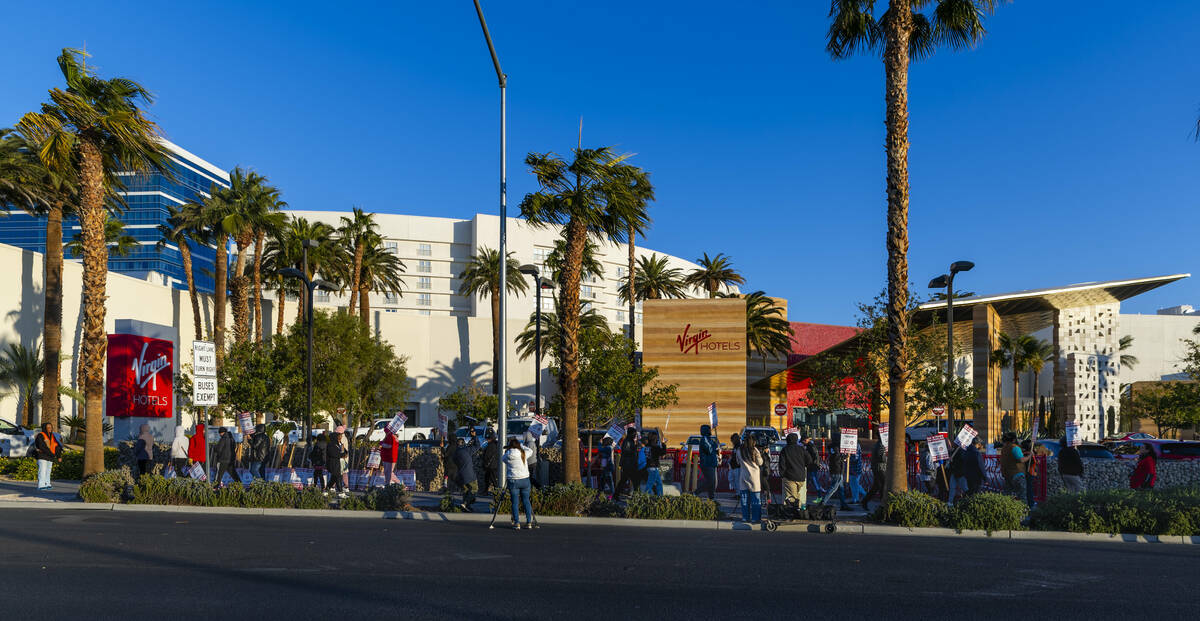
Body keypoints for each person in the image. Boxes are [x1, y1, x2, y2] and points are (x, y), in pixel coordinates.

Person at [503, 437, 535, 529]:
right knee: (526, 501)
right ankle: (529, 522)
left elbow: (503, 459)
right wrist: (522, 446)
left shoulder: (508, 454)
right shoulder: (523, 453)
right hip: (525, 479)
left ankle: (517, 522)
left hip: (513, 480)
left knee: (515, 502)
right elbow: (530, 450)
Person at [736, 433, 764, 524]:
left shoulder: (739, 450)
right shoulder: (755, 450)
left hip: (743, 476)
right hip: (754, 477)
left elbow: (737, 462)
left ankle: (745, 517)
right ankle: (755, 518)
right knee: (755, 499)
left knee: (744, 499)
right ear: (754, 442)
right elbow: (760, 462)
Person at [780, 432, 811, 510]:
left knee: (792, 498)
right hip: (801, 477)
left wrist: (782, 474)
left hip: (789, 477)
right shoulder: (801, 449)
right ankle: (799, 511)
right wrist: (804, 465)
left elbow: (782, 464)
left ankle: (793, 513)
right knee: (798, 496)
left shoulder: (785, 450)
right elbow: (809, 460)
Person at [999, 432, 1030, 503]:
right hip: (1017, 474)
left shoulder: (1004, 449)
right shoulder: (1015, 448)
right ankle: (1024, 512)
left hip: (1007, 475)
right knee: (1022, 497)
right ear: (1013, 439)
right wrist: (1029, 456)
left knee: (1008, 497)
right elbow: (1021, 459)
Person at [824, 438, 853, 511]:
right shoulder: (836, 448)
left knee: (841, 489)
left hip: (835, 470)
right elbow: (837, 458)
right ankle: (823, 502)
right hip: (838, 471)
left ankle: (843, 505)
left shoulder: (831, 448)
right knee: (833, 488)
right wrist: (846, 456)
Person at [31, 423, 63, 490]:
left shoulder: (53, 436)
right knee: (42, 470)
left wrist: (58, 456)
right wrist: (51, 454)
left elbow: (57, 446)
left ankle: (47, 484)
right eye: (48, 427)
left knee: (48, 471)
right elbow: (41, 446)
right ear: (44, 428)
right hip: (42, 455)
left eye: (50, 427)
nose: (49, 428)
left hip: (50, 456)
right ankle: (41, 485)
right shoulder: (40, 435)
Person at [614, 427, 640, 501]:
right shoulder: (628, 441)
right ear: (631, 433)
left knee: (624, 481)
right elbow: (627, 451)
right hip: (629, 465)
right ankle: (635, 497)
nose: (635, 435)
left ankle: (616, 495)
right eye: (634, 433)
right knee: (634, 481)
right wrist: (635, 448)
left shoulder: (630, 441)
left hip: (629, 464)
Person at [454, 437, 478, 511]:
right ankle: (465, 503)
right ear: (463, 443)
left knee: (466, 490)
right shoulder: (467, 450)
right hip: (470, 474)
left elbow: (454, 461)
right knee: (474, 489)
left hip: (461, 474)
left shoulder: (456, 453)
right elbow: (477, 446)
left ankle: (466, 507)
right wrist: (474, 437)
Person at [861, 441, 887, 510]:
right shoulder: (881, 445)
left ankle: (865, 501)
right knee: (882, 485)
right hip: (880, 468)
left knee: (877, 486)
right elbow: (882, 458)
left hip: (878, 467)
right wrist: (889, 457)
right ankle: (882, 504)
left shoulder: (879, 444)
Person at [697, 424, 719, 500]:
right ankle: (696, 492)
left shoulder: (709, 439)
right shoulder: (704, 439)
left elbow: (713, 449)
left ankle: (711, 497)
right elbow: (709, 450)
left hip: (712, 463)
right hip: (707, 463)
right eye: (709, 429)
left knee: (713, 483)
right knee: (710, 482)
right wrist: (714, 446)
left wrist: (716, 444)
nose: (710, 431)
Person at [326, 431, 347, 495]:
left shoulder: (338, 444)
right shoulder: (330, 444)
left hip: (338, 463)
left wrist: (343, 452)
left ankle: (326, 490)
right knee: (338, 477)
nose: (339, 438)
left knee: (333, 478)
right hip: (333, 463)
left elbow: (345, 451)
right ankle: (340, 492)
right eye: (338, 436)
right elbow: (334, 454)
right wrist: (342, 454)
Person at [481, 429, 500, 495]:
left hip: (491, 466)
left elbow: (487, 456)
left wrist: (484, 463)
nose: (487, 440)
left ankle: (497, 492)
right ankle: (486, 491)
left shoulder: (490, 445)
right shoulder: (496, 444)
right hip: (493, 465)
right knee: (489, 478)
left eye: (488, 438)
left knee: (493, 479)